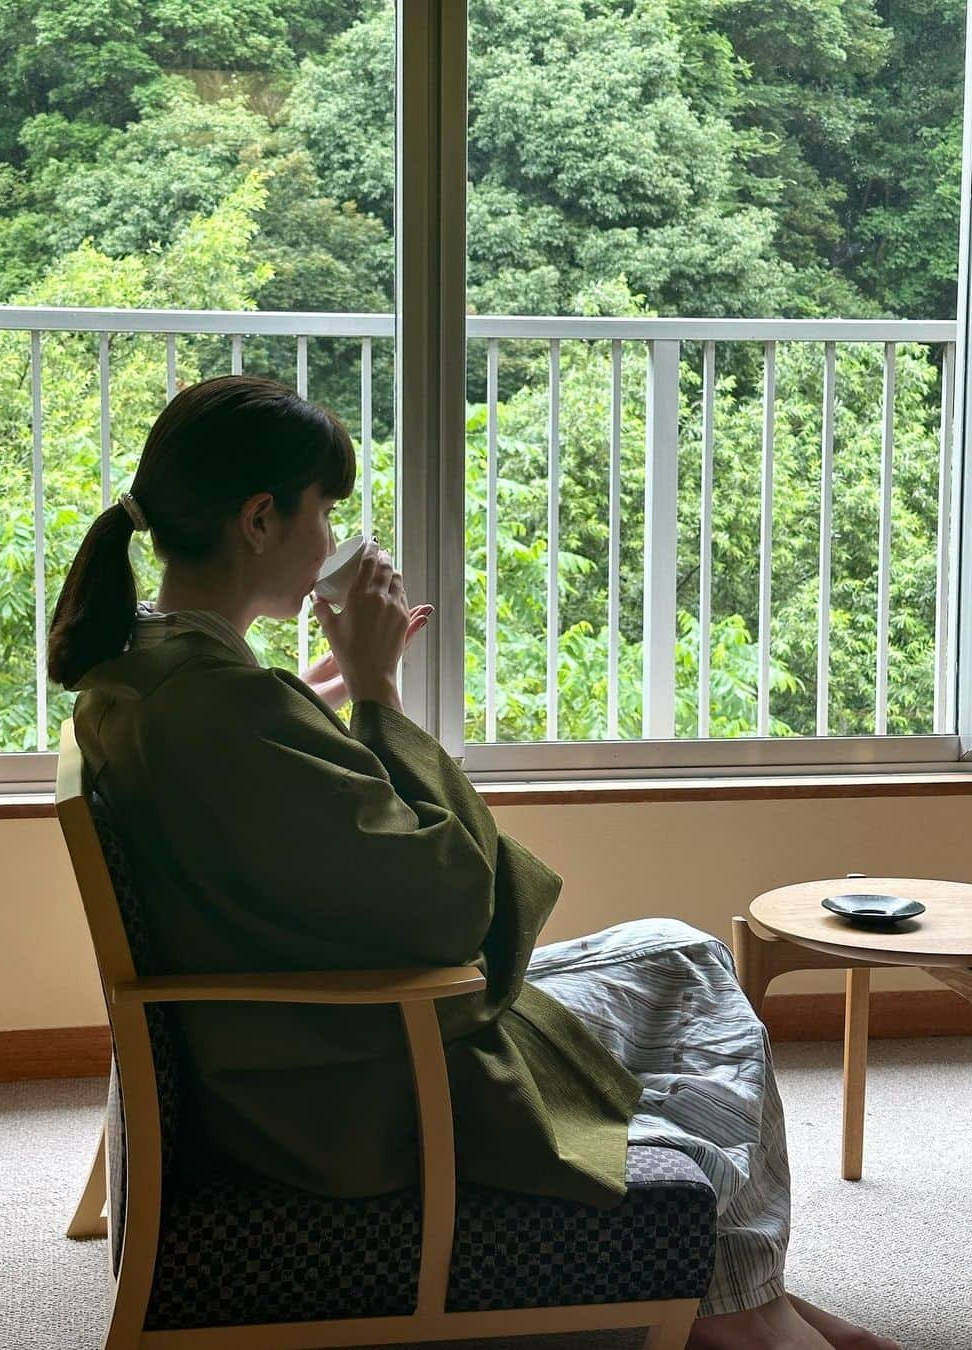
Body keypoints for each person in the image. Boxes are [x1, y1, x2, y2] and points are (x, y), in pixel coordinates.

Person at [49, 375, 899, 1350]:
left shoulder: (160, 668)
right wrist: (375, 692)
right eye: (323, 511)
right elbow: (453, 901)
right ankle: (747, 1313)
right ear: (258, 518)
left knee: (677, 956)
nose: (330, 539)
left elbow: (289, 823)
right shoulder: (220, 710)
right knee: (691, 965)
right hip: (363, 1073)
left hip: (292, 1045)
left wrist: (325, 713)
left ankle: (750, 1291)